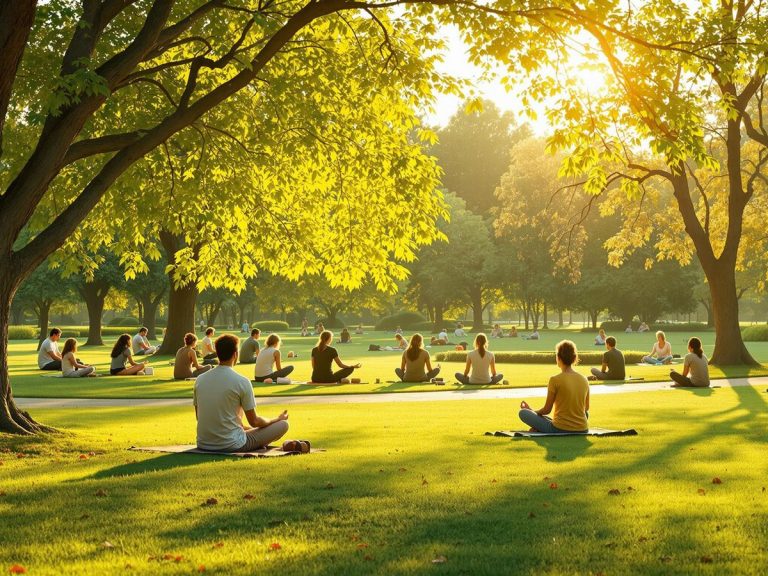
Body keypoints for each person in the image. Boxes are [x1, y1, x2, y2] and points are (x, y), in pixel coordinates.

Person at [194, 334, 290, 452]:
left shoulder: (200, 379)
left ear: (218, 354)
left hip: (204, 443)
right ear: (235, 354)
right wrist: (276, 419)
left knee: (246, 425)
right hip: (232, 444)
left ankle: (257, 441)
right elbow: (254, 421)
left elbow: (199, 417)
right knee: (283, 425)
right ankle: (259, 442)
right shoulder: (241, 381)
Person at [519, 340, 590, 433]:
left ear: (558, 357)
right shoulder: (584, 379)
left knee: (523, 413)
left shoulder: (555, 379)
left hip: (559, 429)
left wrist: (531, 411)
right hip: (582, 429)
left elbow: (546, 410)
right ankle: (541, 427)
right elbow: (586, 408)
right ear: (574, 358)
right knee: (585, 414)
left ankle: (539, 428)